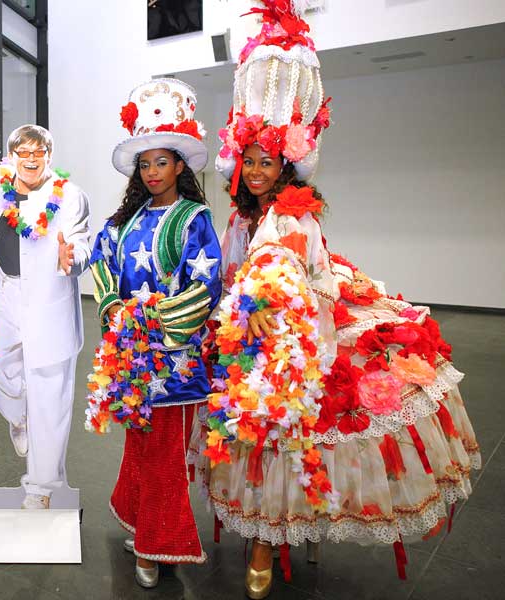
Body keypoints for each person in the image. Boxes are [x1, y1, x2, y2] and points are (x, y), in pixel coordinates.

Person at [194, 3, 481, 598]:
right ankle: (263, 538)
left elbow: (314, 285)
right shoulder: (243, 217)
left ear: (286, 165)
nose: (253, 171)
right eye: (247, 161)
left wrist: (286, 330)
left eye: (264, 161)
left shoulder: (301, 217)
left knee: (291, 429)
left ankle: (276, 539)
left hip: (297, 341)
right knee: (254, 436)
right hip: (248, 338)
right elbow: (233, 275)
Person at [86, 78, 222, 588]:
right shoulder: (124, 221)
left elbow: (206, 283)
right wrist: (117, 311)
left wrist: (152, 321)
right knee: (139, 447)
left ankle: (156, 544)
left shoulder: (195, 218)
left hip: (175, 360)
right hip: (130, 360)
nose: (152, 171)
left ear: (181, 166)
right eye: (144, 164)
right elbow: (100, 264)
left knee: (165, 455)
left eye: (161, 161)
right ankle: (144, 523)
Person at [0, 124, 91, 509]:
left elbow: (81, 241)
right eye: (22, 152)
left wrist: (71, 259)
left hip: (48, 301)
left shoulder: (70, 195)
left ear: (49, 155)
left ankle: (41, 488)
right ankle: (19, 415)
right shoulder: (2, 184)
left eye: (38, 152)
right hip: (3, 292)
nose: (30, 159)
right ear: (11, 157)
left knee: (49, 395)